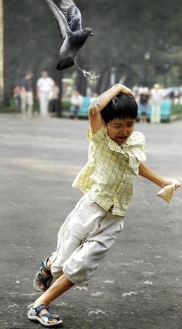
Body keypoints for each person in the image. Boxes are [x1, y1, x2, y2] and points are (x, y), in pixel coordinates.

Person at [27, 83, 181, 327]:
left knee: (81, 265)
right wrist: (118, 87)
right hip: (90, 208)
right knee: (60, 265)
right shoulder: (99, 139)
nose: (124, 131)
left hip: (115, 216)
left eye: (129, 124)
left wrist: (162, 181)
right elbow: (94, 108)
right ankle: (49, 264)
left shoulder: (135, 141)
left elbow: (135, 165)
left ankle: (39, 305)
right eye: (117, 125)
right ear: (106, 124)